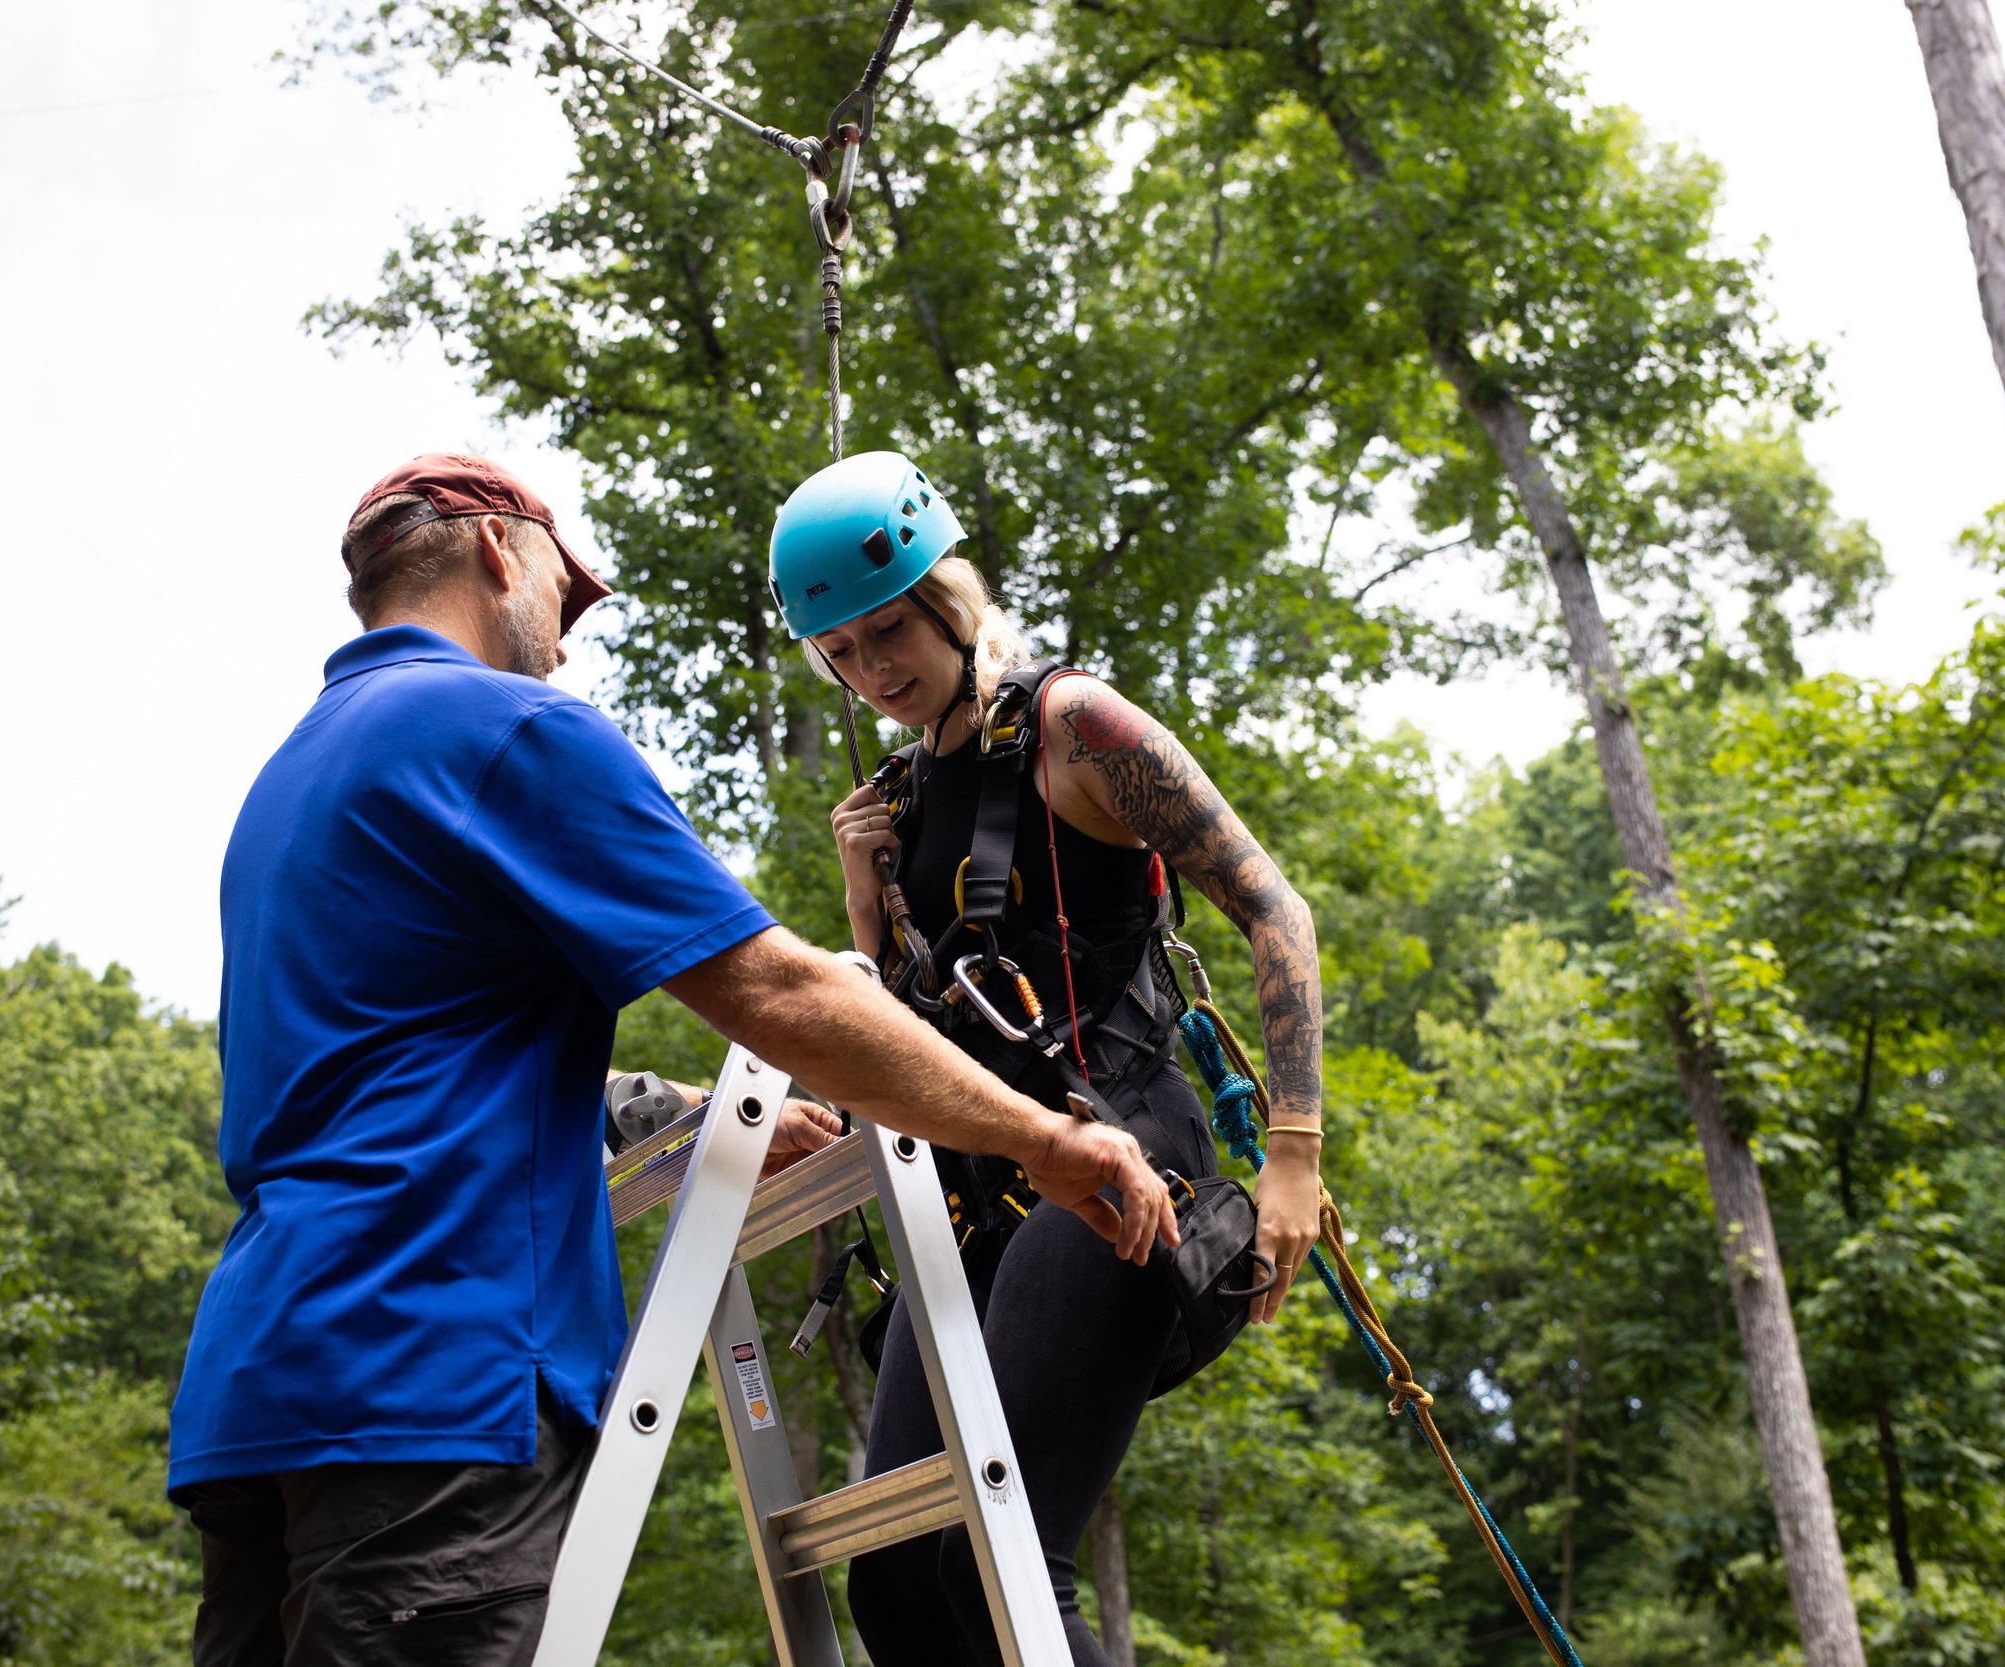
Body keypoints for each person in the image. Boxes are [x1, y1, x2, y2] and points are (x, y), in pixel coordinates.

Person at [167, 452, 1178, 1667]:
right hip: (432, 1365)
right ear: (502, 551)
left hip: (257, 1386)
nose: (565, 640)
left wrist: (689, 1110)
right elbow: (776, 989)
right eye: (564, 594)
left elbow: (399, 1061)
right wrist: (1041, 1136)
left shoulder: (289, 783)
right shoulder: (508, 727)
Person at [768, 450, 1328, 1667]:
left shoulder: (1076, 725)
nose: (873, 672)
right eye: (843, 657)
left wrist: (1291, 1152)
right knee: (899, 1596)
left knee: (1002, 1557)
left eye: (887, 632)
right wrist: (865, 900)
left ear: (949, 599)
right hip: (975, 1201)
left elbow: (1273, 906)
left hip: (1118, 1164)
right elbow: (907, 1029)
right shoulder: (899, 795)